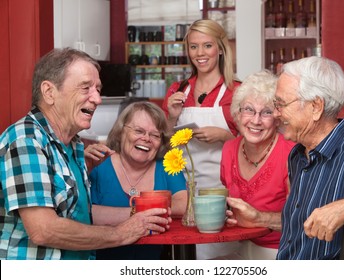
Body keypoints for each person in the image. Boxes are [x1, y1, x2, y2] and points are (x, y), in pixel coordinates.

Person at [0, 48, 170, 260]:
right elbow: (43, 230)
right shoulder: (26, 139)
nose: (97, 99)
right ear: (49, 92)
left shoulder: (73, 145)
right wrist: (121, 233)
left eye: (98, 89)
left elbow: (78, 215)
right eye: (86, 88)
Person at [226, 56, 344, 260]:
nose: (275, 113)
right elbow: (303, 226)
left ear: (316, 106)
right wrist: (259, 218)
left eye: (281, 104)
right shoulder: (298, 154)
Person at [162, 19, 241, 259]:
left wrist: (225, 136)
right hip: (181, 193)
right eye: (193, 47)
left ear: (220, 48)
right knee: (186, 256)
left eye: (207, 46)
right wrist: (172, 117)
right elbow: (165, 144)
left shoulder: (236, 91)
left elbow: (255, 146)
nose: (200, 53)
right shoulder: (178, 89)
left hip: (223, 191)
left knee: (221, 257)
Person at [86, 101, 187, 260]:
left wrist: (114, 215)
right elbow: (86, 213)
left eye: (154, 135)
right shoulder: (98, 163)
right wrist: (141, 214)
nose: (146, 139)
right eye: (139, 131)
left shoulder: (168, 164)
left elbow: (183, 205)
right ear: (121, 132)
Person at [220, 71, 295, 259]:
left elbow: (302, 217)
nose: (256, 120)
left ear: (278, 118)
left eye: (267, 112)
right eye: (249, 109)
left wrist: (258, 218)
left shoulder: (291, 154)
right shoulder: (229, 150)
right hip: (240, 248)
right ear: (237, 113)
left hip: (283, 252)